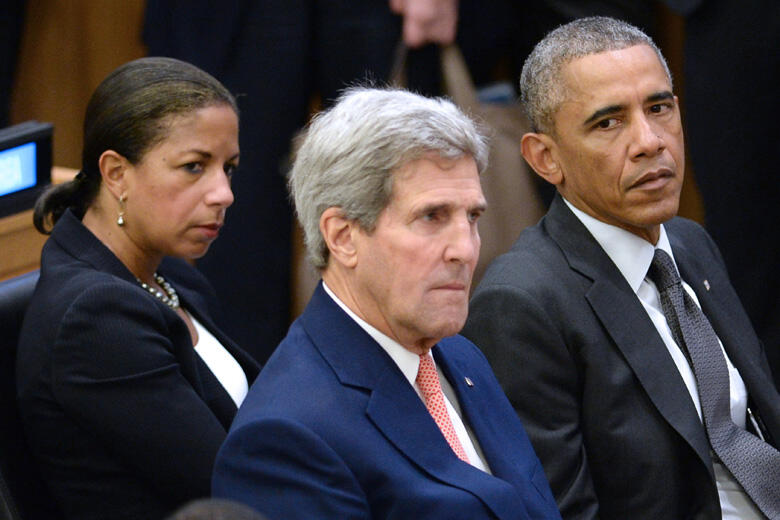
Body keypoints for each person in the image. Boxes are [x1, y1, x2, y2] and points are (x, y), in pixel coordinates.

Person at [462, 16, 780, 520]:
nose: (650, 141)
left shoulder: (689, 244)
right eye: (608, 122)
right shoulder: (520, 305)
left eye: (659, 108)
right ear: (545, 158)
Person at [212, 87, 562, 520]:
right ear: (343, 237)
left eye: (471, 217)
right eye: (432, 217)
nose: (466, 250)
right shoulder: (284, 438)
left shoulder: (459, 356)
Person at [16, 57, 260, 519]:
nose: (223, 194)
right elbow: (228, 484)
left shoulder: (174, 274)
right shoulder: (95, 320)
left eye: (228, 168)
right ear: (115, 174)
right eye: (194, 167)